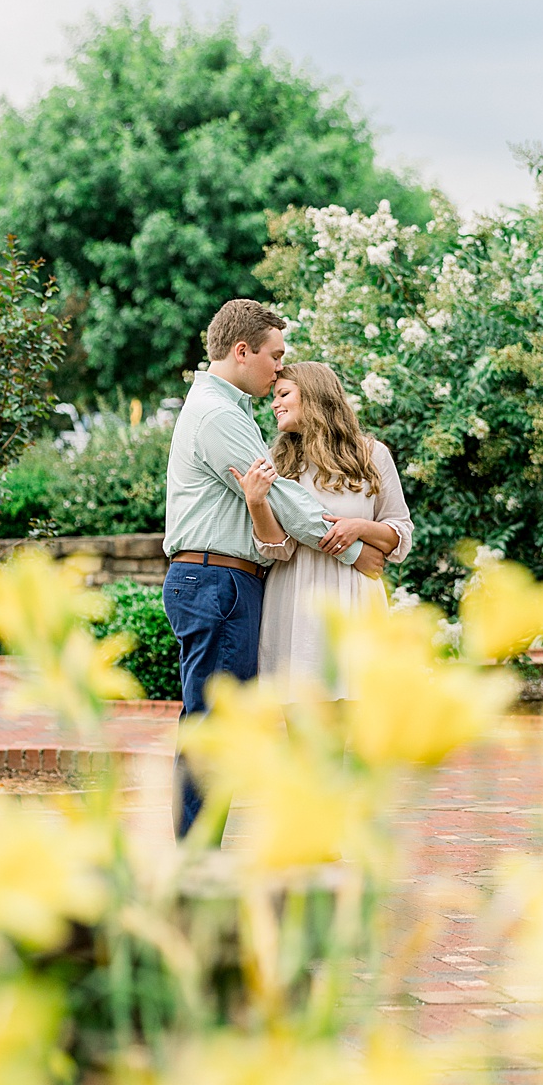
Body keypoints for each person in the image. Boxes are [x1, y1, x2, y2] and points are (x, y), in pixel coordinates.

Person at [161, 299, 387, 841]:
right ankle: (196, 860)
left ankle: (202, 853)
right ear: (242, 352)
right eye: (274, 355)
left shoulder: (224, 408)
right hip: (216, 580)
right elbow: (282, 497)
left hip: (222, 580)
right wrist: (356, 551)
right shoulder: (218, 414)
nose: (277, 368)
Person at [231, 361, 414, 702]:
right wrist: (256, 503)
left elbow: (399, 533)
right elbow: (278, 548)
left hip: (355, 600)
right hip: (294, 601)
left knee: (357, 723)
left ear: (315, 396)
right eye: (274, 396)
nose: (274, 404)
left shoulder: (372, 455)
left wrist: (358, 527)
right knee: (302, 728)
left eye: (284, 394)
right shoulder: (277, 462)